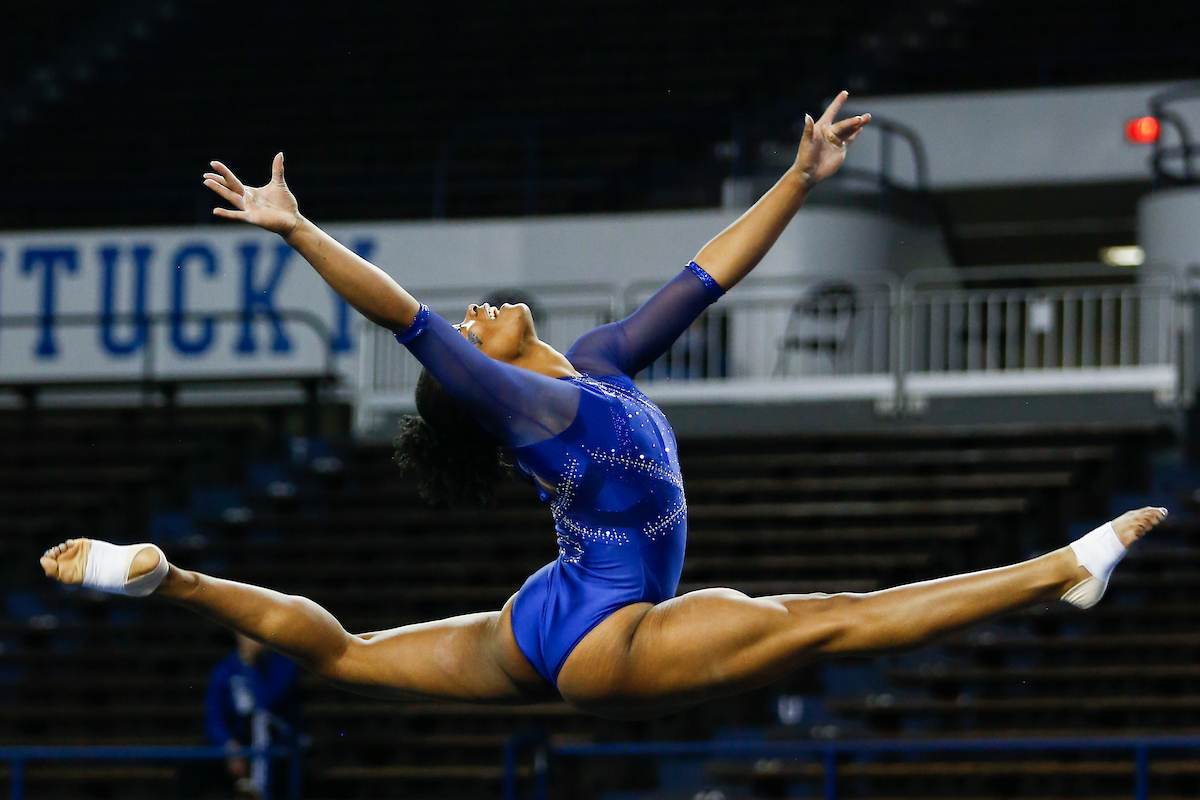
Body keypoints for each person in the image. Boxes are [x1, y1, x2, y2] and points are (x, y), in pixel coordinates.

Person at [41, 92, 1166, 721]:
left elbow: (708, 272)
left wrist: (801, 177)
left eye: (480, 315)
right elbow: (405, 316)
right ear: (476, 376)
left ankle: (169, 576)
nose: (476, 312)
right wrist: (297, 230)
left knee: (344, 652)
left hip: (552, 607)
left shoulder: (596, 362)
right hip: (607, 629)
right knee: (831, 615)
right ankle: (1061, 570)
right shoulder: (526, 406)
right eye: (472, 325)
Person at [205, 633, 303, 800]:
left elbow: (265, 704)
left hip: (279, 742)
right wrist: (228, 745)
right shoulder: (224, 670)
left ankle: (260, 792)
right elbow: (214, 719)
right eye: (246, 633)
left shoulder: (283, 665)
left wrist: (250, 665)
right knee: (195, 768)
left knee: (261, 722)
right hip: (239, 745)